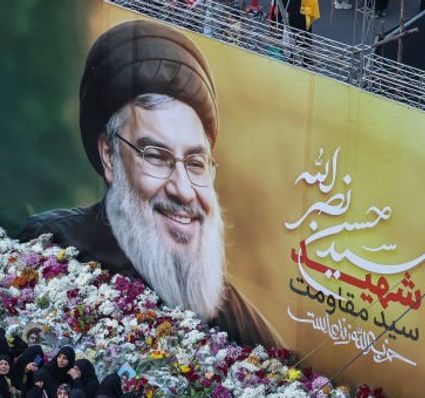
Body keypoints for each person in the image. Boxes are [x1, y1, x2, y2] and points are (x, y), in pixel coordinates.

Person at [18, 20, 276, 348]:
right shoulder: (53, 244)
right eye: (156, 156)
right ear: (110, 156)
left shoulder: (243, 327)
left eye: (196, 163)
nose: (183, 190)